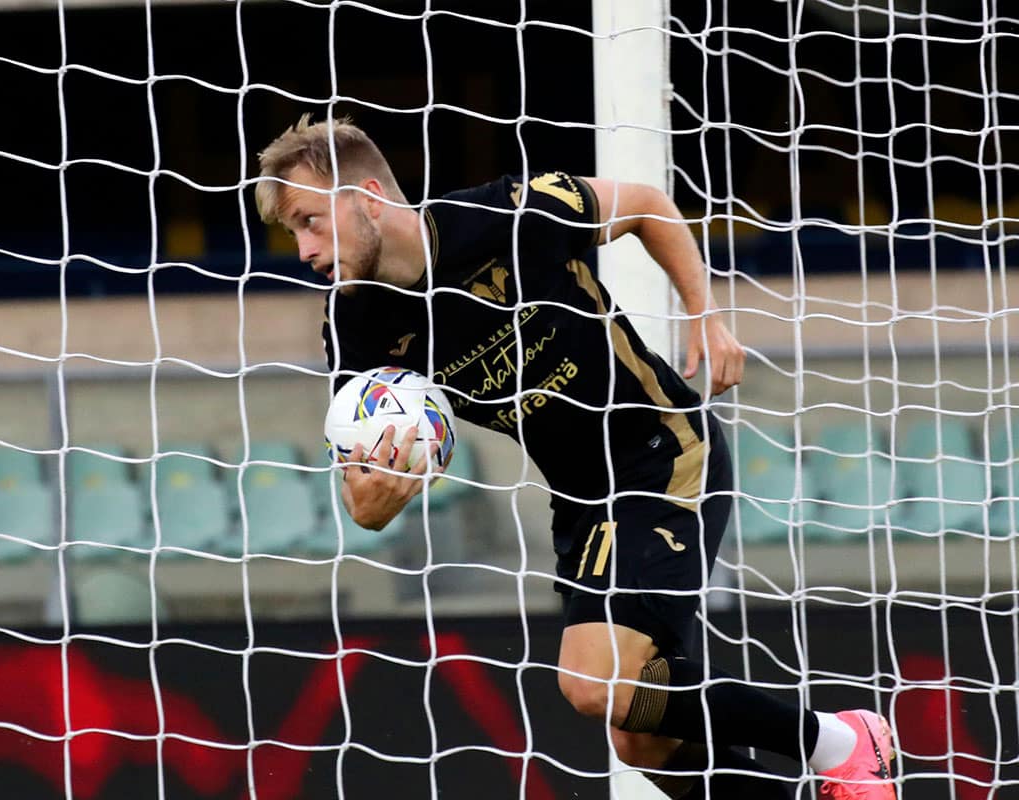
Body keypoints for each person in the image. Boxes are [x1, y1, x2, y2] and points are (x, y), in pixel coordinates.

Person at [255, 114, 896, 800]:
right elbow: (359, 490)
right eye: (293, 232)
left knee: (594, 685)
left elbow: (648, 205)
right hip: (582, 503)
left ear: (369, 196)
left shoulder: (506, 213)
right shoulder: (353, 323)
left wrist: (704, 312)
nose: (304, 248)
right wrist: (375, 501)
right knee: (642, 738)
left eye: (309, 220)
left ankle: (844, 741)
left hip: (661, 451)